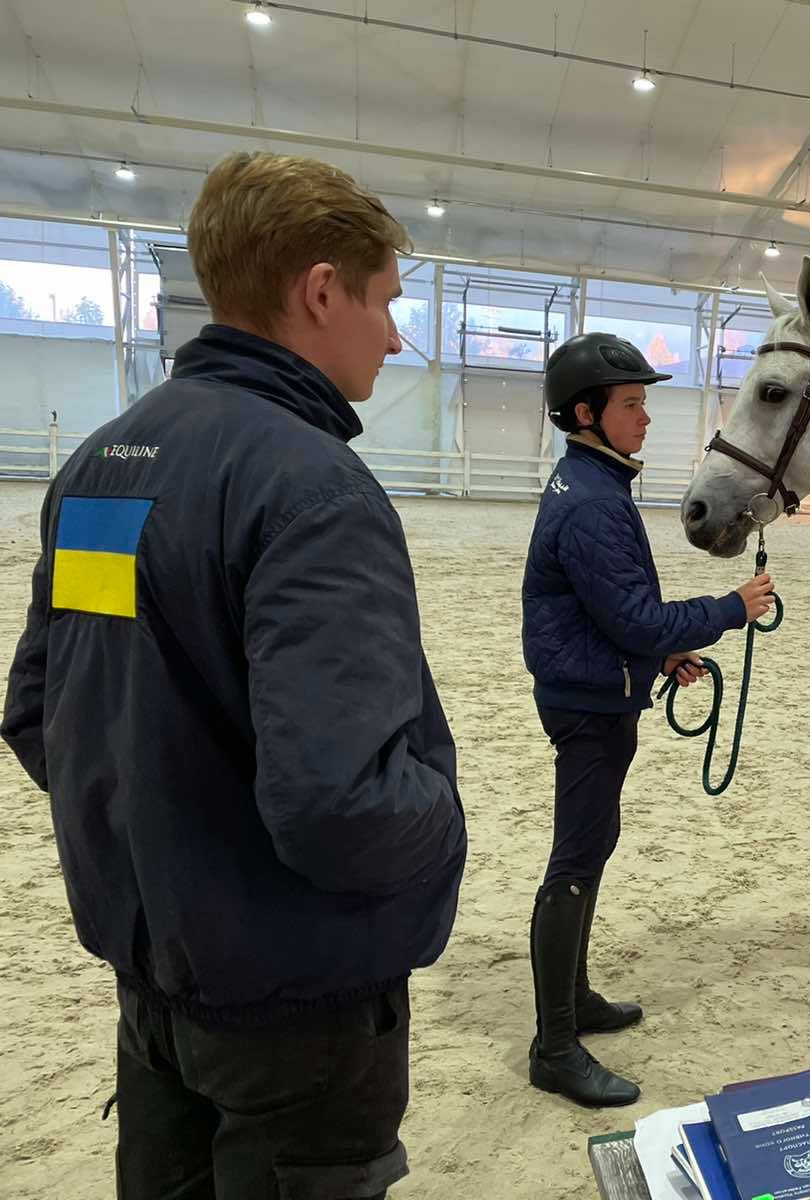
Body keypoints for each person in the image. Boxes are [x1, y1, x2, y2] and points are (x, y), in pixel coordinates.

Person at [1, 151, 467, 1198]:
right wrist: (445, 821)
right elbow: (338, 802)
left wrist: (162, 851)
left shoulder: (101, 465)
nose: (395, 337)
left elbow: (42, 713)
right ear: (320, 292)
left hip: (152, 978)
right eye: (387, 302)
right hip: (293, 1004)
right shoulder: (314, 490)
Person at [521, 333, 775, 1107]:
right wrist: (729, 608)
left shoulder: (591, 482)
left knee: (592, 845)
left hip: (595, 686)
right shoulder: (593, 503)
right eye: (632, 404)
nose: (645, 417)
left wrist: (659, 658)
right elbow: (633, 616)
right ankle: (553, 1047)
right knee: (575, 861)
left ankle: (576, 999)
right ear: (586, 414)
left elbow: (605, 613)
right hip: (588, 703)